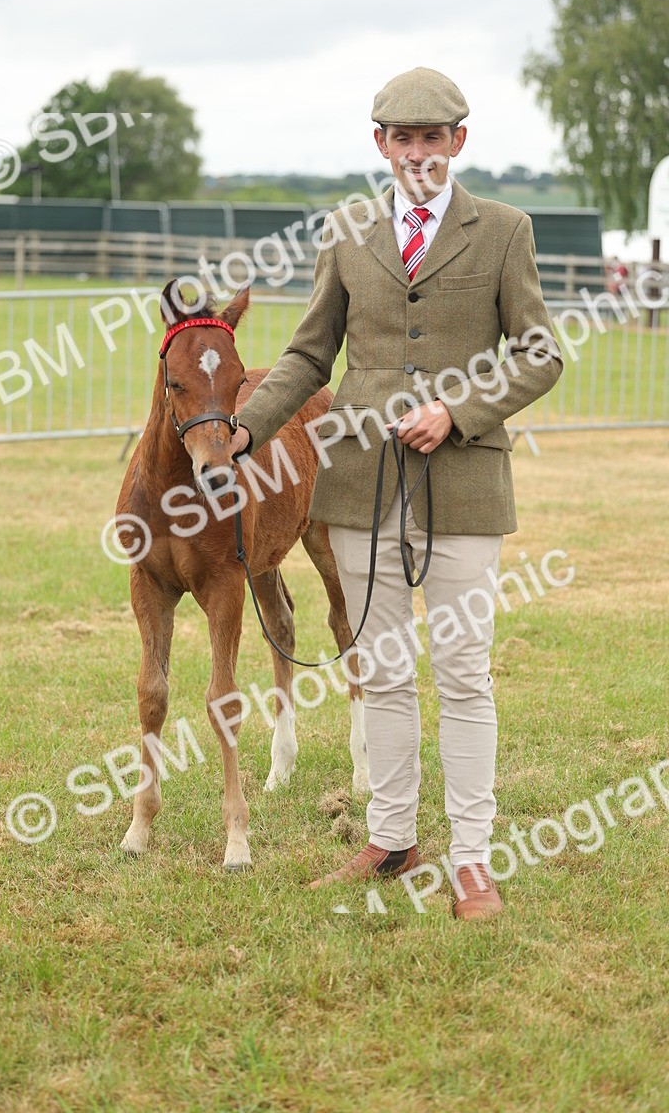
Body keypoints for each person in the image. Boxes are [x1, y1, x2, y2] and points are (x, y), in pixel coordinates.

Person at [228, 67, 563, 920]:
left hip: (464, 484)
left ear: (458, 141)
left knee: (462, 674)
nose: (418, 153)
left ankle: (474, 860)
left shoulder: (505, 231)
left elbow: (540, 352)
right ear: (380, 144)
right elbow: (309, 357)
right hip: (357, 483)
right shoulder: (345, 233)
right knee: (378, 671)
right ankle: (390, 837)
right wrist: (246, 429)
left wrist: (459, 409)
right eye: (401, 138)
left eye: (433, 137)